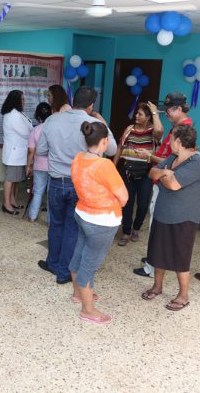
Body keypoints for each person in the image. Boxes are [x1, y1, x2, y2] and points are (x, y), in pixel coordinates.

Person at [37, 86, 117, 284]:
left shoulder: (52, 120)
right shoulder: (94, 123)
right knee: (72, 227)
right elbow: (112, 149)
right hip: (81, 184)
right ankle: (64, 272)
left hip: (56, 181)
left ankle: (52, 263)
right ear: (91, 106)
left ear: (73, 100)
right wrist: (103, 122)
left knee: (55, 224)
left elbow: (41, 150)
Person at [141, 125, 200, 311]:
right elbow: (152, 173)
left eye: (171, 139)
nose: (169, 142)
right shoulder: (173, 157)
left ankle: (183, 296)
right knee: (157, 253)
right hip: (163, 213)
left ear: (178, 141)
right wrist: (165, 173)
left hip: (184, 218)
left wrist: (166, 175)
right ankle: (157, 286)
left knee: (180, 258)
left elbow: (173, 185)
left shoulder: (196, 163)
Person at [70, 121, 128, 324]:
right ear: (104, 141)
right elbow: (124, 198)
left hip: (82, 214)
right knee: (89, 264)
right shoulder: (104, 165)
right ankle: (88, 310)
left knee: (79, 254)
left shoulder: (78, 158)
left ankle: (78, 294)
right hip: (101, 221)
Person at [133, 92, 193, 278]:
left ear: (178, 109)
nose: (165, 113)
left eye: (168, 109)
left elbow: (171, 161)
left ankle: (152, 268)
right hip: (161, 181)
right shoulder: (179, 127)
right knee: (156, 225)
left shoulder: (182, 130)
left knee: (156, 226)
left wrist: (150, 156)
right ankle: (154, 260)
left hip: (165, 183)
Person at [113, 102, 163, 246]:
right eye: (136, 113)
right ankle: (126, 232)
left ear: (148, 117)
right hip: (127, 171)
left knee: (142, 204)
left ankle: (136, 229)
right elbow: (120, 147)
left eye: (140, 114)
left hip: (146, 173)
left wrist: (154, 113)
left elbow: (159, 131)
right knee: (127, 203)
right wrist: (113, 166)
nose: (136, 116)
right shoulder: (129, 129)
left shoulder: (153, 132)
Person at [1, 90, 33, 215]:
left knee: (16, 180)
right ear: (16, 100)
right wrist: (33, 132)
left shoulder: (17, 113)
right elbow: (25, 132)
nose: (24, 101)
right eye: (22, 99)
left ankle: (12, 200)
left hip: (18, 152)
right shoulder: (12, 115)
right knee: (10, 179)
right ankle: (6, 204)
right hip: (14, 153)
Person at [26, 102, 52, 222]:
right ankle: (50, 221)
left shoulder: (35, 130)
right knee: (51, 195)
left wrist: (28, 166)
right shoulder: (54, 128)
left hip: (39, 166)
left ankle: (32, 216)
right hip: (53, 166)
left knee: (37, 191)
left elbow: (31, 150)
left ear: (38, 116)